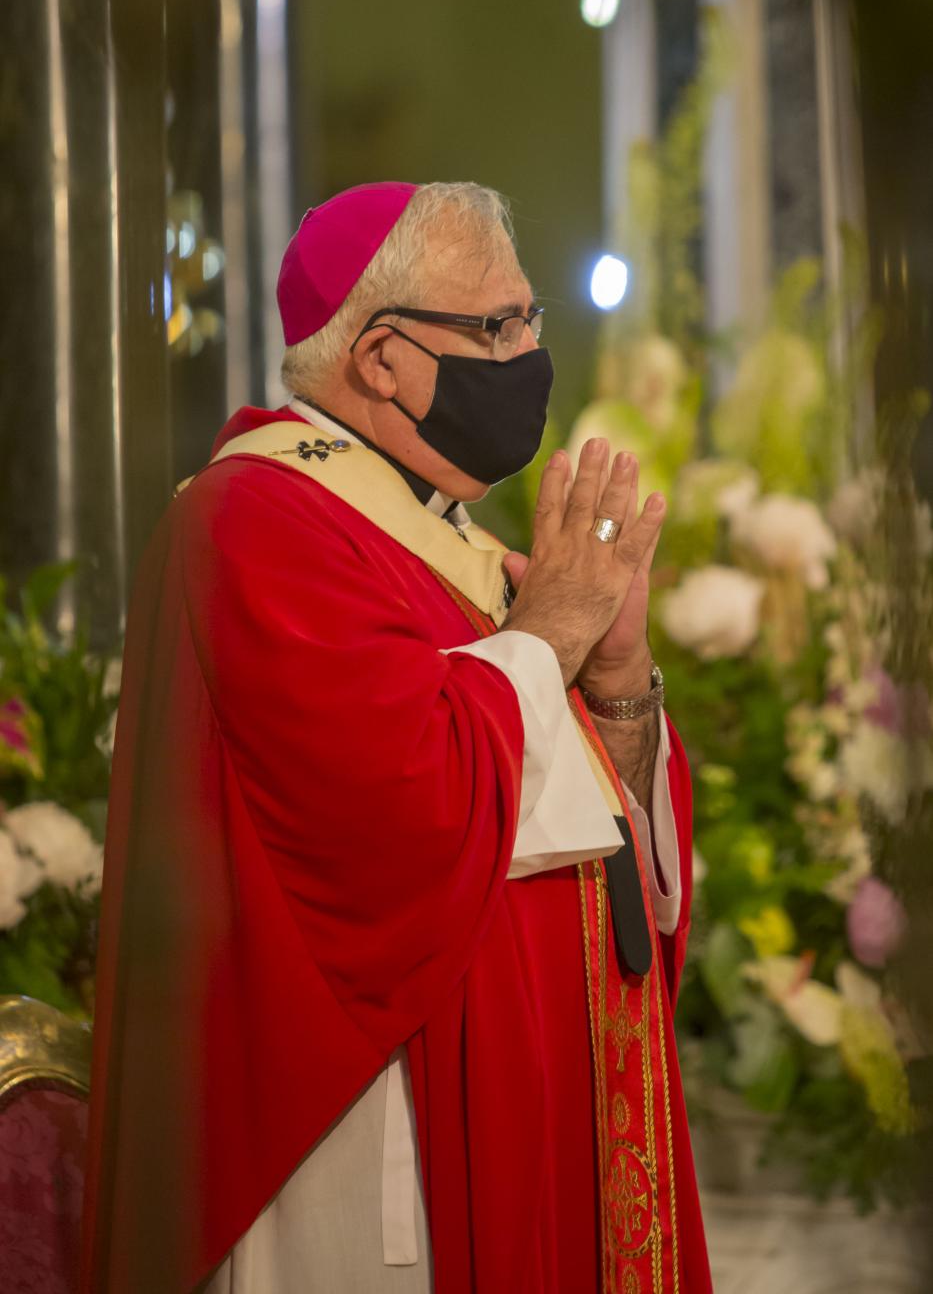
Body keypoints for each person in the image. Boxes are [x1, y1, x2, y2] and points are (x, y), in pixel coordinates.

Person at [80, 180, 712, 1293]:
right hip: (374, 1132)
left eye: (530, 321)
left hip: (516, 1102)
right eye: (496, 326)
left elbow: (570, 831)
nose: (526, 354)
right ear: (378, 358)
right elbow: (404, 810)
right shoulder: (254, 521)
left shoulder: (436, 533)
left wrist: (614, 683)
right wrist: (550, 629)